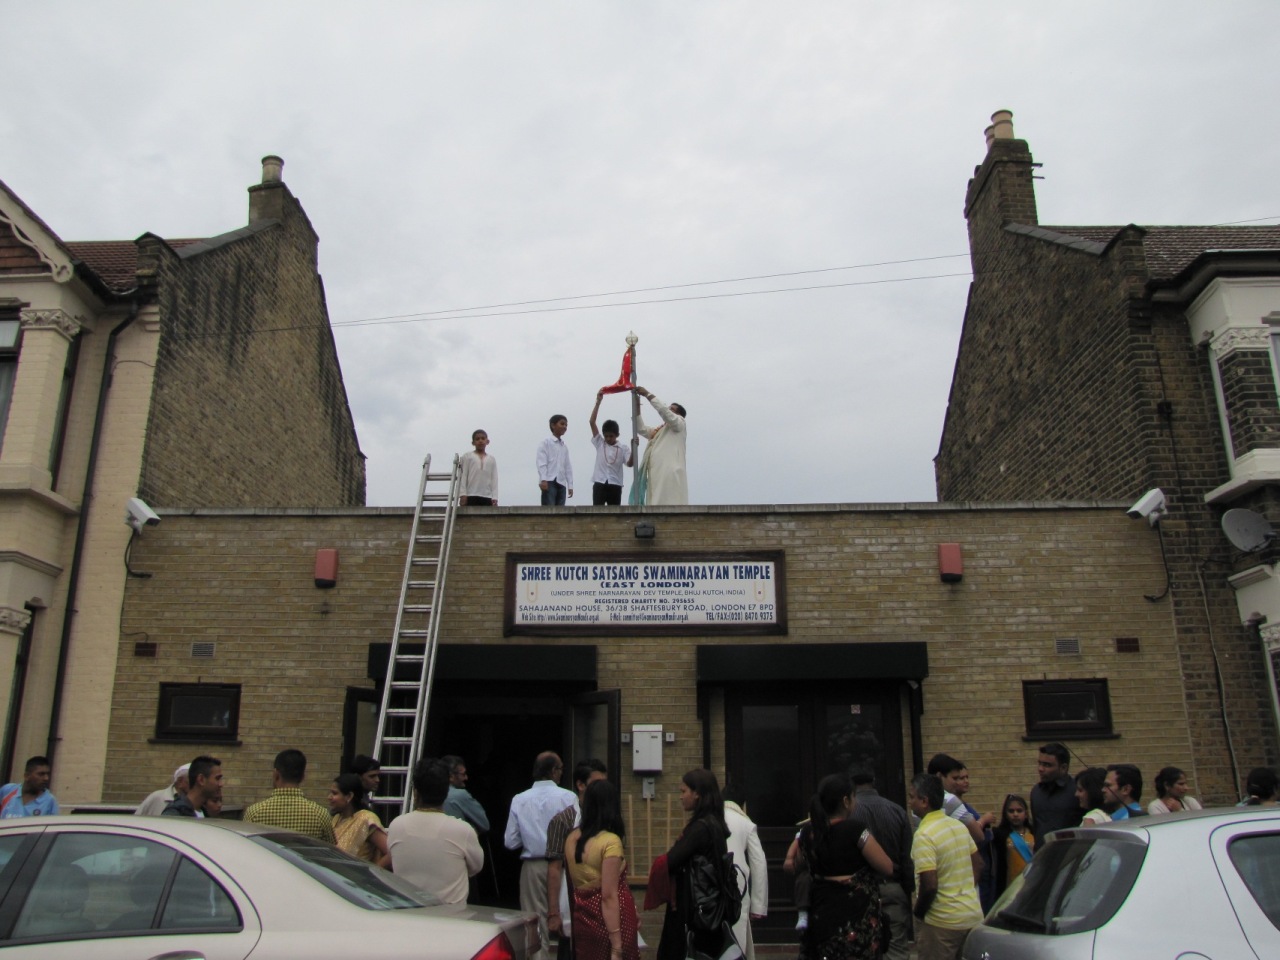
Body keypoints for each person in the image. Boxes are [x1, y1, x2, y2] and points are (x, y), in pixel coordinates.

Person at [796, 773, 894, 960]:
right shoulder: (856, 830)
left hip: (822, 914)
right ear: (846, 801)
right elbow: (886, 866)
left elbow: (799, 863)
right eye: (854, 797)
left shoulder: (808, 832)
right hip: (856, 918)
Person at [505, 752, 578, 960]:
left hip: (533, 864)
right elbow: (576, 833)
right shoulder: (568, 797)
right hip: (564, 865)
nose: (562, 773)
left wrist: (531, 836)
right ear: (553, 771)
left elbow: (510, 841)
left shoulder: (520, 799)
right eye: (561, 769)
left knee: (534, 924)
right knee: (568, 920)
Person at [658, 769, 736, 960]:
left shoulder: (701, 828)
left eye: (683, 791)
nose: (681, 797)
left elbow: (672, 859)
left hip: (695, 910)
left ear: (697, 793)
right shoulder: (714, 823)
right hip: (709, 908)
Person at [386, 757, 483, 903]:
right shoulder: (463, 830)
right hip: (451, 918)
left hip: (408, 915)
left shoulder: (396, 826)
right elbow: (475, 867)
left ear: (415, 792)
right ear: (446, 792)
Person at [907, 772, 982, 960]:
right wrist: (963, 891)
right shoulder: (958, 826)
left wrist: (919, 912)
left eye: (912, 797)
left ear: (924, 801)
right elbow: (979, 863)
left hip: (941, 923)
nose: (909, 802)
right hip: (971, 915)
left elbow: (929, 884)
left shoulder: (924, 835)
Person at [565, 779, 641, 960]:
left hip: (583, 919)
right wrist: (616, 945)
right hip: (613, 922)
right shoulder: (610, 841)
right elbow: (608, 895)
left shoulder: (571, 838)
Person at [548, 759, 609, 960]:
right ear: (580, 785)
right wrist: (554, 912)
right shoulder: (563, 820)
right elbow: (555, 868)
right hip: (572, 895)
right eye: (595, 783)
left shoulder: (608, 818)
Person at [850, 771, 914, 960]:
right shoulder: (897, 811)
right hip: (892, 886)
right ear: (874, 783)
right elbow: (907, 857)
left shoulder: (850, 813)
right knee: (896, 947)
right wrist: (908, 889)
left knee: (861, 946)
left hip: (860, 890)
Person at [243, 748, 336, 842]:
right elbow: (331, 852)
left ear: (276, 775)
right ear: (303, 777)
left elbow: (246, 849)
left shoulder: (254, 813)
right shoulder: (320, 815)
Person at [722, 785, 768, 960]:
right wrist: (758, 905)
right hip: (737, 886)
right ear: (743, 805)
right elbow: (759, 862)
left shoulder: (707, 818)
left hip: (708, 885)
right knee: (736, 938)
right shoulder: (746, 823)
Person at [631, 386, 687, 506]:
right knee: (655, 503)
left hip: (670, 472)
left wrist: (648, 394)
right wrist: (637, 407)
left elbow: (664, 412)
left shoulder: (680, 424)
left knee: (669, 502)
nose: (668, 411)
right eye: (669, 409)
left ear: (678, 414)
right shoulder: (660, 430)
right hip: (656, 473)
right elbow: (641, 429)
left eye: (672, 410)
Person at [329, 772, 389, 864]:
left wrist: (374, 871)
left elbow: (391, 853)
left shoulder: (366, 819)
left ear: (349, 796)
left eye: (334, 793)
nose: (329, 797)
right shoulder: (336, 819)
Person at [1029, 742, 1081, 845]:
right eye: (1040, 763)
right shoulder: (1036, 792)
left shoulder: (1077, 791)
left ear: (1063, 768)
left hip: (1070, 856)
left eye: (1047, 765)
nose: (1040, 769)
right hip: (1043, 855)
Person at [589, 392, 633, 506]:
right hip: (600, 483)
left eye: (611, 436)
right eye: (606, 436)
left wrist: (634, 448)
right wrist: (598, 402)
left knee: (614, 515)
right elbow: (592, 422)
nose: (608, 438)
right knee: (597, 513)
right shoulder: (600, 443)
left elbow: (629, 463)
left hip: (615, 484)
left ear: (617, 435)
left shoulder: (623, 448)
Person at [991, 794, 1034, 897]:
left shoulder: (1035, 833)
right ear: (1005, 814)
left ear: (1026, 814)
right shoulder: (999, 835)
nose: (1015, 814)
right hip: (1009, 888)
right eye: (1011, 811)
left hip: (1031, 885)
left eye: (1019, 811)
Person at [442, 754, 490, 833]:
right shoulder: (459, 795)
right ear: (451, 776)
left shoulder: (430, 793)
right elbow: (484, 825)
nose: (466, 778)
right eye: (463, 774)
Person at [537, 415, 574, 506]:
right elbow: (542, 462)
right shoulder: (546, 443)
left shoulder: (564, 447)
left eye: (566, 425)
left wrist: (570, 485)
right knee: (549, 510)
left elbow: (567, 467)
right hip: (549, 480)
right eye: (562, 424)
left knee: (561, 513)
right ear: (553, 425)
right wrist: (543, 479)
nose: (565, 427)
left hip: (561, 482)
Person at [460, 429, 499, 506]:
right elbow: (463, 476)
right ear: (473, 443)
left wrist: (495, 497)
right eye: (477, 439)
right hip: (471, 494)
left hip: (487, 496)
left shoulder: (491, 459)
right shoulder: (467, 456)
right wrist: (462, 494)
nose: (480, 441)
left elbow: (494, 478)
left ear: (487, 441)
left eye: (483, 438)